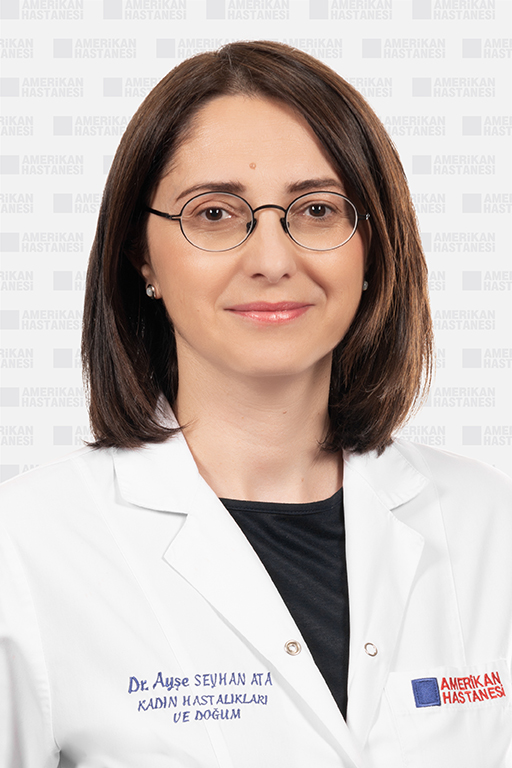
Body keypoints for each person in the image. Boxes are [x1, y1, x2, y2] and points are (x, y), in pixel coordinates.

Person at [0, 40, 511, 768]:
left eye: (317, 210)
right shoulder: (26, 549)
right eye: (214, 213)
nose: (272, 260)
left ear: (372, 247)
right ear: (141, 254)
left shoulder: (488, 524)